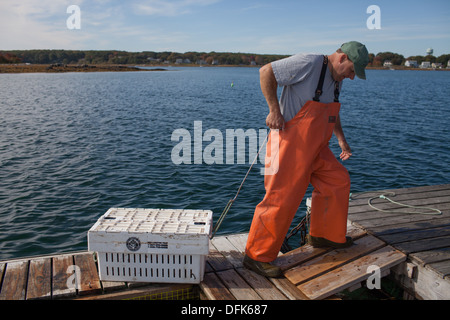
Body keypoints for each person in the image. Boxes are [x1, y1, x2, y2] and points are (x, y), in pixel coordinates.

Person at [243, 41, 369, 278]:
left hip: (317, 148)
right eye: (352, 71)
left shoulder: (336, 79)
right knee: (280, 198)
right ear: (342, 58)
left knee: (337, 181)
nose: (352, 77)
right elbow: (266, 71)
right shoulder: (309, 62)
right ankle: (256, 257)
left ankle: (325, 236)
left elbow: (332, 111)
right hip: (289, 145)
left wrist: (341, 139)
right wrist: (274, 110)